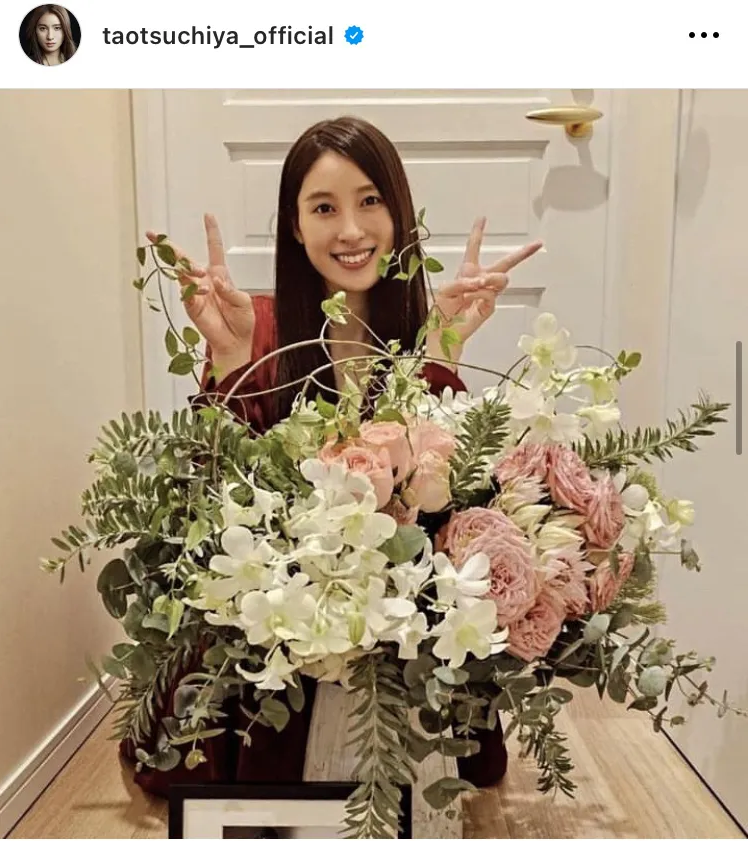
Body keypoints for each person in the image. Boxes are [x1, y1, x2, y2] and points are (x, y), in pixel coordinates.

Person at [120, 116, 541, 796]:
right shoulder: (256, 325)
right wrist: (229, 360)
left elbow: (448, 492)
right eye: (323, 208)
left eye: (370, 201)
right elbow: (216, 491)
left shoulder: (423, 329)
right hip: (287, 621)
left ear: (399, 214)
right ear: (294, 225)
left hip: (398, 615)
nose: (350, 230)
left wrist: (443, 352)